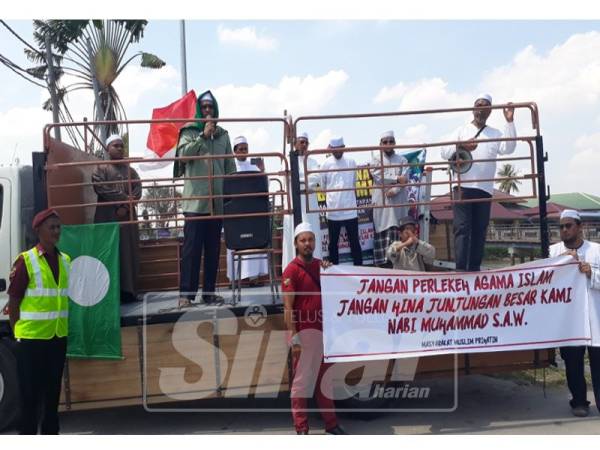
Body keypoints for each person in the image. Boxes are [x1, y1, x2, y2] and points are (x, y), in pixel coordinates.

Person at [7, 209, 71, 434]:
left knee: (52, 397)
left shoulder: (65, 261)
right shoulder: (26, 260)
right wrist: (18, 336)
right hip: (31, 341)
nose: (56, 231)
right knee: (30, 398)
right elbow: (13, 303)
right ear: (38, 230)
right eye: (51, 227)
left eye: (58, 227)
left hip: (57, 338)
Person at [282, 222, 346, 435]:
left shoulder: (322, 266)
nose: (307, 243)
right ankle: (301, 429)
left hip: (324, 335)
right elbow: (288, 307)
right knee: (301, 385)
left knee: (325, 382)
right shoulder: (291, 270)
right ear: (296, 244)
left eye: (310, 239)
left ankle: (331, 424)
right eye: (303, 240)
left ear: (315, 242)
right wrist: (293, 337)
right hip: (304, 336)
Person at [440, 94, 516, 271]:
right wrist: (463, 146)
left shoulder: (495, 133)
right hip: (462, 187)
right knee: (462, 228)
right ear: (473, 109)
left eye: (485, 105)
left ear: (489, 110)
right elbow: (444, 151)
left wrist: (509, 122)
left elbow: (509, 148)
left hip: (485, 189)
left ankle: (474, 269)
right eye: (478, 105)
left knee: (479, 230)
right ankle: (461, 270)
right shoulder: (461, 130)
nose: (480, 108)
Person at [175, 90, 236, 307]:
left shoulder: (224, 135)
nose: (208, 110)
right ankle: (186, 295)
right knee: (191, 251)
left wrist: (231, 198)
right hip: (196, 202)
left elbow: (230, 168)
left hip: (217, 203)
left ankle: (209, 293)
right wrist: (203, 136)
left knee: (212, 250)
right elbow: (183, 156)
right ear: (199, 110)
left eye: (211, 107)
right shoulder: (190, 132)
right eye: (204, 107)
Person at [549, 209, 600, 418]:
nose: (564, 230)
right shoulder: (554, 251)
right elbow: (545, 280)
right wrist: (562, 261)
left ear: (580, 227)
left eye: (568, 226)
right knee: (572, 363)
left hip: (596, 318)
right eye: (561, 227)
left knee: (598, 364)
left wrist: (592, 273)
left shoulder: (597, 251)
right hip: (569, 320)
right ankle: (579, 402)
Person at [92, 134, 142, 303]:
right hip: (107, 217)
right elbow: (101, 188)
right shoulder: (101, 169)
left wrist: (125, 207)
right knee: (109, 253)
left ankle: (129, 292)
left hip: (127, 219)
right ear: (108, 148)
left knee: (129, 253)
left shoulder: (131, 171)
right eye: (116, 146)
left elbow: (137, 191)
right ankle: (110, 294)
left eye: (121, 146)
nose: (120, 149)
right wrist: (122, 200)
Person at [225, 136, 268, 285]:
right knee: (234, 242)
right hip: (235, 215)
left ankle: (254, 278)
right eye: (241, 149)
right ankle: (234, 279)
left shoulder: (254, 168)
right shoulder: (229, 168)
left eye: (246, 149)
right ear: (235, 151)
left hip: (252, 214)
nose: (244, 152)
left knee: (255, 238)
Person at [318, 137, 362, 266]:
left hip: (350, 210)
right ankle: (333, 273)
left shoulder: (351, 162)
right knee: (333, 245)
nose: (337, 151)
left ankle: (359, 270)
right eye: (334, 148)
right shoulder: (325, 164)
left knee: (355, 242)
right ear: (331, 149)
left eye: (339, 148)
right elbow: (323, 185)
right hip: (333, 211)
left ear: (344, 147)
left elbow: (354, 183)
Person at [370, 130, 410, 267]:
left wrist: (395, 189)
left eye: (391, 141)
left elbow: (405, 179)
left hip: (398, 202)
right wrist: (396, 178)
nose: (388, 144)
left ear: (395, 143)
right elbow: (378, 176)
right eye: (385, 142)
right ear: (380, 144)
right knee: (384, 236)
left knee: (399, 233)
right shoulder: (376, 159)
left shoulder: (402, 160)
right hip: (383, 204)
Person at [282, 132, 323, 268]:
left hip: (309, 201)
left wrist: (298, 181)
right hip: (294, 201)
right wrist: (304, 182)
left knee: (312, 231)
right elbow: (287, 177)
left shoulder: (313, 161)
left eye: (306, 142)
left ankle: (314, 266)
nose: (304, 145)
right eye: (301, 142)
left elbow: (316, 178)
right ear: (295, 144)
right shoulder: (287, 160)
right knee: (293, 234)